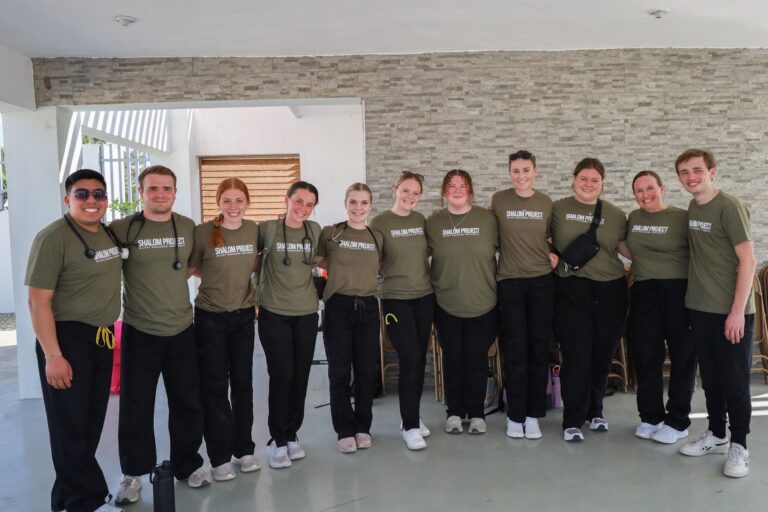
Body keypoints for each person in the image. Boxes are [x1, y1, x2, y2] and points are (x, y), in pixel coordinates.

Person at [110, 165, 210, 505]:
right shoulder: (122, 229)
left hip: (182, 328)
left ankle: (187, 465)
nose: (160, 194)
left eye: (167, 188)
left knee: (187, 402)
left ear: (175, 192)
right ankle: (133, 474)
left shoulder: (185, 226)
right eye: (153, 188)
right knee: (136, 406)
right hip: (140, 331)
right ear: (141, 192)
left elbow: (194, 266)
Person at [26, 169, 124, 512]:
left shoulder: (107, 234)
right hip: (68, 339)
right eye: (82, 194)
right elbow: (37, 300)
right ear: (68, 199)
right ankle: (90, 500)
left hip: (102, 336)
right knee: (69, 424)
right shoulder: (53, 238)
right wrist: (53, 355)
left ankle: (66, 499)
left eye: (98, 194)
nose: (91, 201)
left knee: (90, 421)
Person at [674, 149, 756, 478]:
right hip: (700, 308)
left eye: (697, 170)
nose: (691, 176)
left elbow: (748, 261)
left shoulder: (729, 206)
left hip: (730, 312)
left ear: (712, 171)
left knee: (736, 382)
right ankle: (717, 433)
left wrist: (737, 313)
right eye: (683, 172)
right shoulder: (694, 206)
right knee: (710, 379)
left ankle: (739, 445)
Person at [550, 158, 628, 442]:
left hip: (611, 290)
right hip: (572, 289)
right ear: (573, 179)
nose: (588, 184)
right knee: (576, 355)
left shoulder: (617, 214)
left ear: (602, 183)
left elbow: (626, 249)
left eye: (595, 180)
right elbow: (533, 235)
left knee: (602, 355)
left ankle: (596, 411)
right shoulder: (557, 209)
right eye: (583, 178)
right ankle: (572, 420)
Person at [188, 178, 260, 481]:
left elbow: (254, 265)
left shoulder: (254, 230)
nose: (233, 207)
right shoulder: (203, 232)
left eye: (239, 200)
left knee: (243, 385)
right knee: (215, 387)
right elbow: (194, 268)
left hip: (243, 316)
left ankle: (243, 449)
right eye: (227, 200)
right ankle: (219, 457)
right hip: (210, 318)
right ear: (218, 202)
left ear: (247, 203)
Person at [624, 171, 696, 444]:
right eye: (639, 191)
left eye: (650, 188)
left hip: (678, 290)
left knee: (683, 355)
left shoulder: (681, 217)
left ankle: (678, 421)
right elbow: (626, 247)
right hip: (643, 290)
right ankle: (651, 416)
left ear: (662, 188)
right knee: (646, 355)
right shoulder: (633, 218)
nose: (645, 195)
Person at [426, 169, 498, 436]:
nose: (457, 190)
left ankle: (477, 414)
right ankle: (454, 413)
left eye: (463, 185)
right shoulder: (433, 222)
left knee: (477, 361)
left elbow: (514, 245)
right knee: (453, 361)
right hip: (447, 303)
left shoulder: (488, 219)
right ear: (444, 191)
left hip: (484, 302)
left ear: (471, 190)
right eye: (451, 185)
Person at [491, 151, 557, 440]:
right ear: (509, 173)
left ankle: (533, 415)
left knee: (538, 350)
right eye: (516, 171)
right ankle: (514, 415)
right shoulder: (499, 200)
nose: (521, 175)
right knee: (515, 350)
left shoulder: (546, 203)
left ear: (535, 171)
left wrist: (554, 254)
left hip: (542, 282)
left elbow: (554, 237)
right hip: (510, 283)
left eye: (526, 170)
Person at [256, 181, 321, 469]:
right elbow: (249, 259)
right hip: (273, 312)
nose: (303, 208)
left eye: (309, 204)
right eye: (299, 201)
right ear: (287, 199)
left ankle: (293, 434)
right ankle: (277, 439)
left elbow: (323, 260)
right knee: (282, 374)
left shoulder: (314, 231)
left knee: (300, 377)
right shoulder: (267, 228)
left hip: (306, 312)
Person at [317, 183, 384, 453]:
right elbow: (319, 261)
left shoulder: (376, 236)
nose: (358, 208)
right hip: (338, 306)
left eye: (363, 203)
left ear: (370, 205)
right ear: (345, 203)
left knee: (367, 371)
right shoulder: (331, 233)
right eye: (353, 202)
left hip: (368, 306)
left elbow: (379, 266)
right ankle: (344, 430)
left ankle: (362, 427)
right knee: (340, 371)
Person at [370, 170, 434, 450]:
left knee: (419, 358)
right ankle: (409, 426)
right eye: (406, 190)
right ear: (394, 189)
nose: (410, 197)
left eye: (416, 193)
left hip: (424, 296)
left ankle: (412, 416)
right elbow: (373, 261)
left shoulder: (421, 221)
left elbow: (428, 253)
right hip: (395, 299)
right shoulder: (380, 222)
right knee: (409, 357)